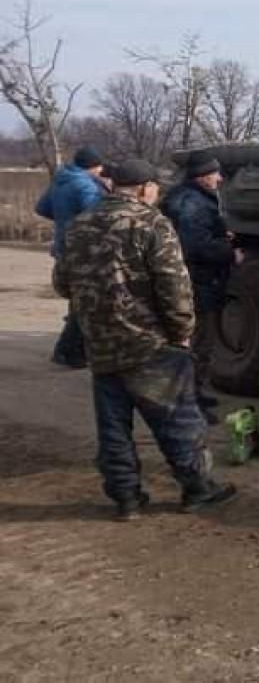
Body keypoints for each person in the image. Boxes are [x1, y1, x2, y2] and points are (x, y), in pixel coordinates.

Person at [54, 159, 236, 520]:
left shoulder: (80, 225)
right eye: (155, 187)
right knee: (178, 421)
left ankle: (126, 498)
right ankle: (198, 488)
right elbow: (174, 286)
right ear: (144, 188)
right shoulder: (151, 223)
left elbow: (63, 283)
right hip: (150, 344)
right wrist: (182, 333)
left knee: (113, 428)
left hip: (101, 345)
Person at [160, 150, 243, 424]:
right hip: (197, 281)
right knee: (198, 344)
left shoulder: (188, 198)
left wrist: (220, 233)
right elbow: (194, 246)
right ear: (202, 176)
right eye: (215, 173)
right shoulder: (192, 203)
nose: (219, 178)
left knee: (198, 343)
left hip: (195, 280)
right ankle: (189, 404)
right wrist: (229, 252)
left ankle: (195, 393)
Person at [36, 146, 107, 368]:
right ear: (92, 166)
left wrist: (64, 218)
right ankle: (69, 352)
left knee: (78, 300)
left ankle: (71, 350)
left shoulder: (61, 180)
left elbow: (41, 207)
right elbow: (96, 215)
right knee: (85, 303)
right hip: (83, 250)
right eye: (99, 167)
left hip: (63, 247)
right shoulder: (85, 185)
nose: (101, 171)